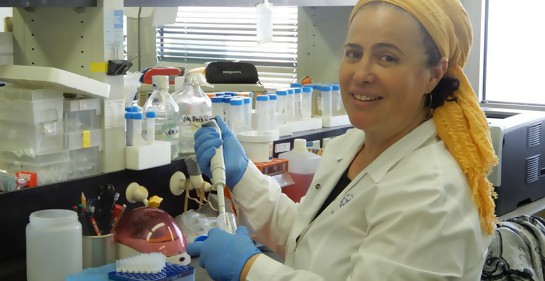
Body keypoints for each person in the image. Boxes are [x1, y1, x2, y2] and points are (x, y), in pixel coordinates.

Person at [186, 0, 499, 280]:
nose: (361, 73)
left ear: (433, 74)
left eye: (387, 57)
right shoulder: (352, 145)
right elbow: (309, 236)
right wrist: (242, 177)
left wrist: (249, 269)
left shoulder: (433, 191)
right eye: (353, 53)